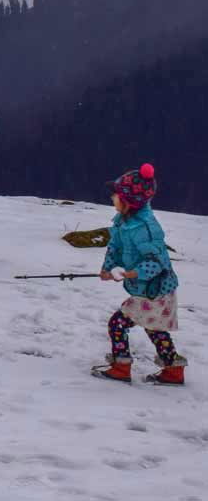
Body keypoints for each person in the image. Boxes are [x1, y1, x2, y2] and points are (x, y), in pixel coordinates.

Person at [92, 164, 186, 386]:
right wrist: (107, 269)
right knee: (155, 329)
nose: (112, 197)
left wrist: (131, 273)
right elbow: (114, 246)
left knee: (119, 324)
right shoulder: (122, 221)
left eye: (116, 195)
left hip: (156, 291)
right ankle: (173, 370)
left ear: (130, 202)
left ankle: (121, 367)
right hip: (147, 291)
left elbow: (157, 262)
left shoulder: (145, 228)